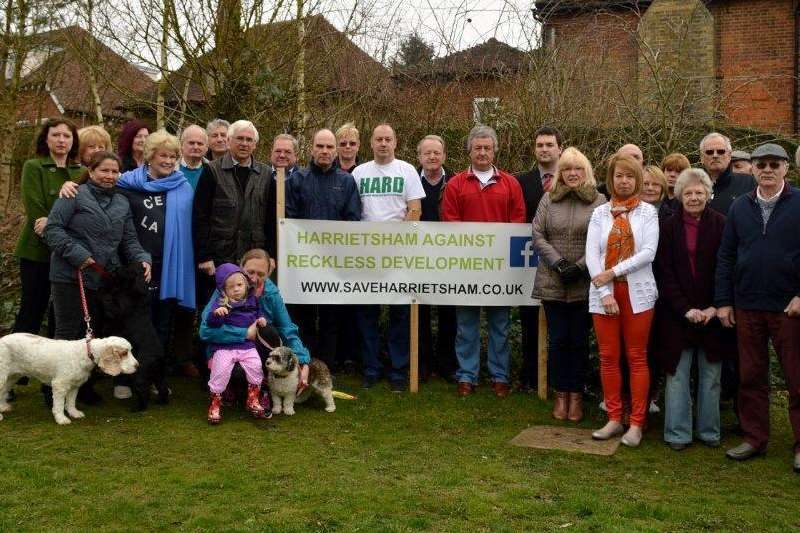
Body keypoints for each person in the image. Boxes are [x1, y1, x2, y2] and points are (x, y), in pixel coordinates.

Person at [715, 143, 800, 473]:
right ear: (750, 169)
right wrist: (723, 301)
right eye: (760, 164)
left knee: (796, 377)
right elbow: (726, 256)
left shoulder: (798, 203)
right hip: (747, 304)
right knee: (750, 376)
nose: (766, 169)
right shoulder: (740, 207)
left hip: (787, 307)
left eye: (773, 164)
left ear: (785, 169)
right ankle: (754, 437)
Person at [44, 151, 151, 403]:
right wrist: (78, 254)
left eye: (114, 172)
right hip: (69, 275)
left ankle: (82, 386)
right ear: (91, 171)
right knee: (67, 334)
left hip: (101, 279)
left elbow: (129, 239)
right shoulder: (73, 194)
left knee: (89, 336)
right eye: (104, 170)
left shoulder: (122, 202)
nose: (109, 176)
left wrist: (142, 258)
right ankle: (53, 391)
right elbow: (52, 229)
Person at [652, 168, 735, 451]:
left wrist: (716, 305)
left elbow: (727, 267)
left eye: (699, 192)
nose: (694, 197)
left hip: (713, 313)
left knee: (711, 376)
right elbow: (664, 273)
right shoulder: (667, 227)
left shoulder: (723, 224)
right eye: (688, 192)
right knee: (677, 375)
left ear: (709, 194)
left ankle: (709, 432)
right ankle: (677, 433)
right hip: (677, 316)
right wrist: (685, 309)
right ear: (679, 195)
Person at [441, 125, 526, 398]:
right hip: (467, 269)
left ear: (494, 150)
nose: (482, 152)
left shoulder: (510, 184)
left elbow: (518, 221)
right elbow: (450, 222)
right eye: (477, 148)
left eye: (487, 148)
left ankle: (499, 376)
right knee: (466, 326)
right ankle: (467, 375)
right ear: (469, 150)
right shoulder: (455, 184)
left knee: (500, 325)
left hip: (500, 270)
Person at [586, 154, 658, 447]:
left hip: (636, 293)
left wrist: (612, 272)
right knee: (608, 357)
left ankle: (637, 423)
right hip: (604, 294)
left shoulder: (648, 213)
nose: (624, 181)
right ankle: (614, 417)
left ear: (637, 179)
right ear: (611, 178)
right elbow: (592, 254)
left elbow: (648, 253)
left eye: (630, 176)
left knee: (637, 357)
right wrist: (604, 291)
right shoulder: (600, 213)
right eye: (619, 176)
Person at [532, 147, 605, 421]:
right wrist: (559, 264)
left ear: (586, 172)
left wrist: (580, 266)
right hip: (553, 281)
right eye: (567, 169)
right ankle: (560, 395)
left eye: (578, 169)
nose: (572, 174)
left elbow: (602, 240)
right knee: (558, 341)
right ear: (560, 173)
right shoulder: (548, 199)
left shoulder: (599, 201)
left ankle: (576, 397)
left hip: (584, 284)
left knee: (578, 342)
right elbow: (537, 234)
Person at [352, 124, 425, 392]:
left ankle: (398, 370)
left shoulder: (406, 171)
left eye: (388, 139)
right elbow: (354, 212)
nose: (383, 143)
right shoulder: (359, 173)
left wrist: (395, 243)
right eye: (378, 139)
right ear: (371, 143)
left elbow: (415, 209)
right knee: (367, 313)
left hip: (399, 255)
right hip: (367, 256)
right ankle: (371, 368)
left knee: (400, 314)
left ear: (395, 142)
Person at [285, 128, 361, 370]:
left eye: (329, 147)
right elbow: (290, 218)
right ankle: (303, 365)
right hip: (304, 263)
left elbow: (353, 220)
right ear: (312, 149)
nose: (325, 151)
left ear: (336, 150)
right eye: (320, 146)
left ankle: (325, 368)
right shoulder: (297, 179)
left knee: (331, 319)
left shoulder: (347, 181)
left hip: (334, 264)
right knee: (304, 318)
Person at [199, 248, 311, 404]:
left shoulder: (272, 294)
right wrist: (244, 333)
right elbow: (205, 331)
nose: (254, 278)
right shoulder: (225, 289)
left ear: (269, 273)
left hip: (258, 351)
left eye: (261, 274)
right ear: (241, 268)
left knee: (268, 330)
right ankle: (230, 388)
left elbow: (288, 330)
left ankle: (261, 389)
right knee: (237, 372)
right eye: (250, 272)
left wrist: (303, 362)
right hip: (227, 349)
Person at [13, 119, 82, 340]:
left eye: (67, 136)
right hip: (37, 251)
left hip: (68, 253)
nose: (62, 140)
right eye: (56, 135)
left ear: (73, 141)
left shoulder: (81, 171)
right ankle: (15, 369)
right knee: (32, 310)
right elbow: (36, 210)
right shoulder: (34, 166)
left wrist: (54, 226)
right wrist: (53, 225)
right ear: (46, 138)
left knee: (60, 315)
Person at [193, 120, 270, 308]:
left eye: (249, 140)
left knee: (249, 312)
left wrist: (270, 256)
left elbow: (270, 219)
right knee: (217, 312)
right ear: (229, 141)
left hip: (252, 258)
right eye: (240, 139)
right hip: (219, 258)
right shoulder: (212, 171)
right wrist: (204, 256)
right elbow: (200, 216)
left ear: (255, 144)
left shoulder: (266, 174)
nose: (244, 143)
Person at [515, 126, 562, 392]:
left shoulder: (571, 178)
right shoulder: (521, 182)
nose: (544, 149)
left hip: (562, 262)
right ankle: (529, 376)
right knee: (529, 320)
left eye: (549, 145)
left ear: (559, 149)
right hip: (528, 261)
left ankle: (556, 379)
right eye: (540, 145)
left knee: (559, 325)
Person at [415, 134, 457, 382]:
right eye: (427, 153)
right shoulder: (410, 180)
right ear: (419, 156)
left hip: (447, 259)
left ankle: (447, 365)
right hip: (417, 258)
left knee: (448, 314)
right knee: (419, 313)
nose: (432, 157)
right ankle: (422, 364)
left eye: (436, 153)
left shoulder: (455, 181)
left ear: (444, 156)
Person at [204, 263, 268, 423]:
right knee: (220, 372)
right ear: (224, 290)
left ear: (246, 284)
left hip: (247, 346)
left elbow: (258, 313)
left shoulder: (252, 299)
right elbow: (211, 325)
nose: (236, 289)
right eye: (231, 287)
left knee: (256, 366)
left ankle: (253, 399)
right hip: (225, 348)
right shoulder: (220, 303)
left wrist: (261, 319)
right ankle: (215, 405)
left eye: (239, 284)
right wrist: (216, 315)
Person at [699, 132, 755, 215]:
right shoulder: (691, 184)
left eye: (720, 151)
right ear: (702, 158)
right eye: (709, 152)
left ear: (729, 156)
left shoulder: (749, 183)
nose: (715, 155)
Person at [179, 125, 209, 190]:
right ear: (181, 145)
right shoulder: (169, 169)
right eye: (191, 143)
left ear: (206, 147)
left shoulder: (213, 171)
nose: (195, 147)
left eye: (200, 143)